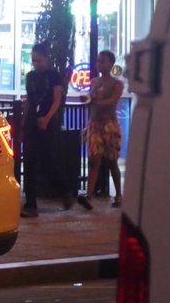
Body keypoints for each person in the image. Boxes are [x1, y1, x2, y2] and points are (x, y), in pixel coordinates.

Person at [21, 41, 74, 216]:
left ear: (46, 59)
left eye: (39, 60)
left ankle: (65, 190)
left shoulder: (54, 76)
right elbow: (29, 99)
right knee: (28, 161)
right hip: (32, 122)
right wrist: (25, 119)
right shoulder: (30, 77)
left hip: (47, 122)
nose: (36, 64)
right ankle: (31, 205)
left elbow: (56, 100)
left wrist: (47, 118)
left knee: (48, 160)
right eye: (34, 60)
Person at [77, 50, 124, 209]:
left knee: (112, 163)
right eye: (98, 61)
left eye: (103, 61)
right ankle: (89, 196)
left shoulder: (117, 83)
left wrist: (92, 102)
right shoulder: (95, 81)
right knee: (94, 160)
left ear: (111, 63)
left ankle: (118, 195)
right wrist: (88, 99)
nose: (99, 64)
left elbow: (112, 101)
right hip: (95, 125)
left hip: (110, 126)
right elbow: (91, 97)